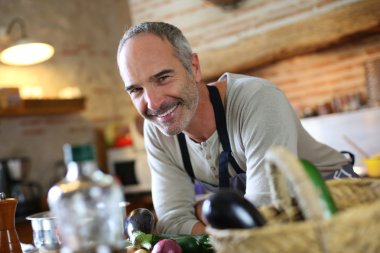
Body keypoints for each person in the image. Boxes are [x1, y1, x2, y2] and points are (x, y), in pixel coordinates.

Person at [116, 22, 354, 235]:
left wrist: (202, 219)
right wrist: (211, 234)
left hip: (342, 207)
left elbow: (266, 211)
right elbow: (172, 219)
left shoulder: (258, 100)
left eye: (163, 78)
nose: (153, 103)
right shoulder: (157, 129)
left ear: (194, 67)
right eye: (136, 90)